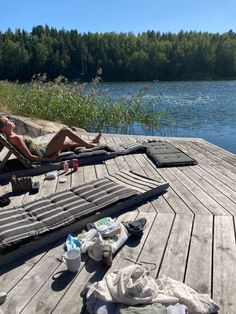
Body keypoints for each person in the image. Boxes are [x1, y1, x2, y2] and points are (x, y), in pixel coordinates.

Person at [0, 116, 102, 161]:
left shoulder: (13, 136)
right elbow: (30, 157)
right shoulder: (15, 138)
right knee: (65, 130)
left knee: (68, 142)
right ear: (4, 128)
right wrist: (50, 159)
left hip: (43, 147)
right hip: (44, 152)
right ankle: (88, 145)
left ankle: (93, 141)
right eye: (8, 121)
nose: (11, 120)